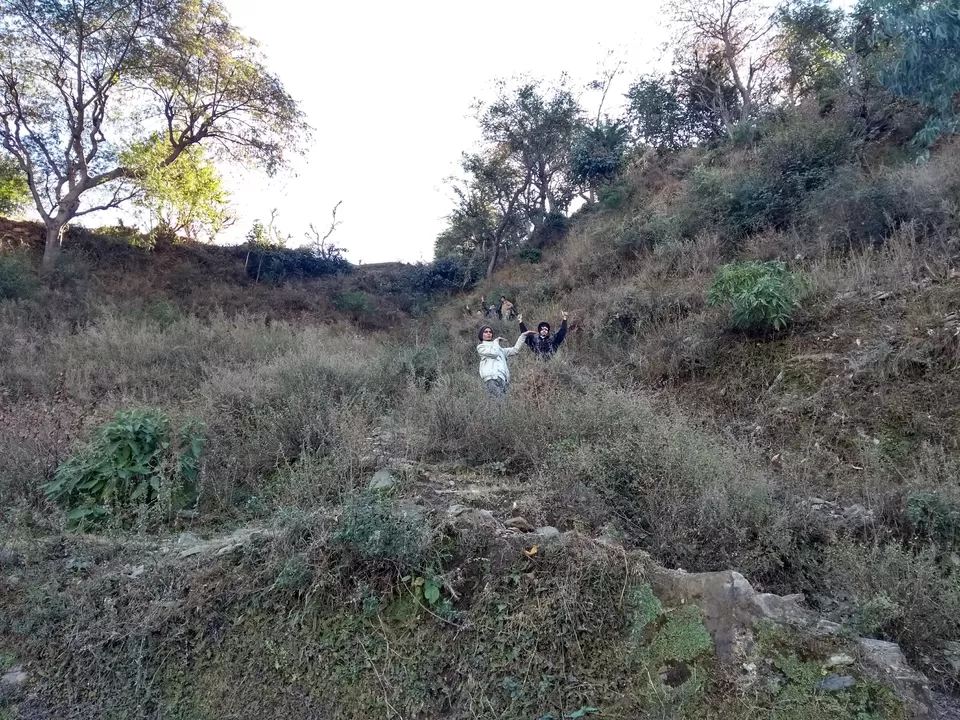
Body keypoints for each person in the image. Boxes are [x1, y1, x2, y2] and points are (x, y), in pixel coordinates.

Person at [476, 325, 534, 396]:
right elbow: (494, 353)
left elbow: (515, 350)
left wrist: (523, 336)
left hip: (503, 379)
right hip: (491, 378)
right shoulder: (481, 347)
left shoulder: (499, 349)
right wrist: (496, 342)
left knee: (502, 403)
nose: (489, 333)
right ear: (481, 335)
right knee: (497, 401)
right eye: (486, 332)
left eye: (490, 332)